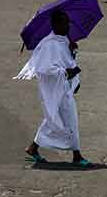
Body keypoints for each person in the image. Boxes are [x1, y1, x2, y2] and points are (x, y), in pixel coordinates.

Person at [16, 10, 88, 166]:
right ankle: (76, 155)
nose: (67, 26)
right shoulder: (49, 44)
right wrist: (67, 72)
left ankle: (34, 148)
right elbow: (45, 69)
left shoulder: (64, 41)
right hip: (54, 88)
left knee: (62, 118)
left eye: (68, 22)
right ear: (55, 25)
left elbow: (66, 60)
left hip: (63, 88)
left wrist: (73, 51)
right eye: (63, 23)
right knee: (60, 118)